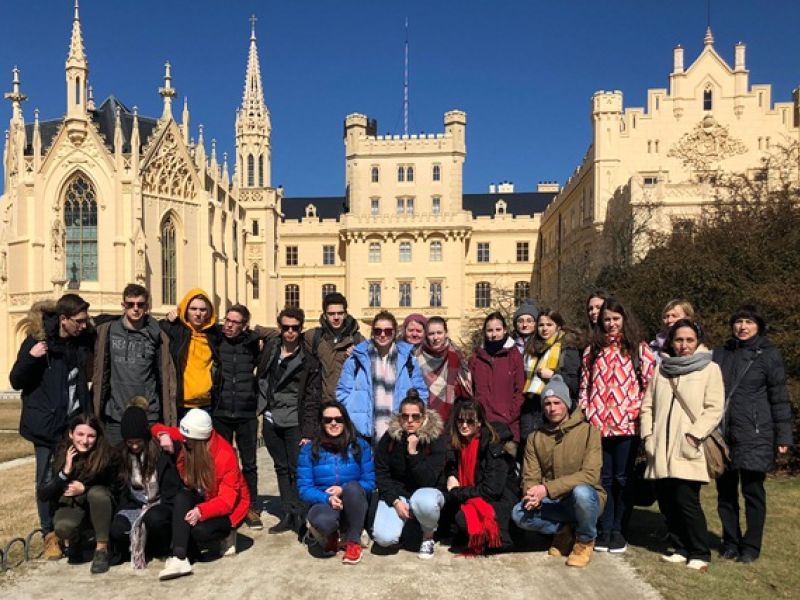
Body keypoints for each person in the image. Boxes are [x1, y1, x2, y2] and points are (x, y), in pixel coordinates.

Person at [10, 293, 95, 560]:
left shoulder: (82, 341)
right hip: (46, 425)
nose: (84, 325)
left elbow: (108, 323)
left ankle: (75, 530)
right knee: (46, 480)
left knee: (77, 474)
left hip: (73, 424)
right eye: (79, 321)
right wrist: (31, 358)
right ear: (63, 319)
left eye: (86, 320)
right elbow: (16, 380)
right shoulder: (38, 342)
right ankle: (50, 535)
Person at [640, 319, 724, 571]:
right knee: (667, 501)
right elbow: (648, 405)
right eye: (679, 339)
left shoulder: (710, 369)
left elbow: (714, 408)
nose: (684, 345)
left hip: (688, 445)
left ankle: (700, 551)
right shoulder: (661, 369)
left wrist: (694, 435)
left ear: (697, 340)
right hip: (660, 447)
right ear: (671, 341)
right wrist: (647, 436)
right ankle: (680, 546)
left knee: (687, 501)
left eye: (689, 340)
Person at [712, 305, 792, 563]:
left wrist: (783, 436)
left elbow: (779, 397)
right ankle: (731, 542)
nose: (742, 327)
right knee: (725, 493)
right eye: (738, 321)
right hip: (724, 432)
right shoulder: (721, 353)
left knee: (752, 491)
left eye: (748, 322)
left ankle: (751, 546)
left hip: (755, 433)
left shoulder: (769, 355)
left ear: (758, 325)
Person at [579, 297, 655, 553]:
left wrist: (637, 410)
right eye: (607, 319)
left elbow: (650, 386)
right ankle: (605, 527)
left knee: (623, 478)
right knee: (604, 479)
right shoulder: (593, 350)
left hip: (627, 425)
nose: (611, 324)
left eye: (615, 319)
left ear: (624, 319)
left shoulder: (638, 349)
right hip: (599, 424)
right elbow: (584, 385)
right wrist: (588, 411)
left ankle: (620, 529)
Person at [512, 375, 605, 567]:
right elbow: (531, 476)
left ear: (567, 403)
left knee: (582, 492)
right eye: (547, 403)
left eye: (557, 402)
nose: (552, 408)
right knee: (519, 513)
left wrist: (546, 489)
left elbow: (590, 475)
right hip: (554, 502)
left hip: (584, 500)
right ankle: (563, 531)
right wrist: (530, 494)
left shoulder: (589, 432)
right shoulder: (535, 438)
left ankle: (584, 540)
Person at [153, 409, 251, 580]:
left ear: (198, 440)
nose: (182, 441)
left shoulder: (225, 455)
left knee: (199, 531)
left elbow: (227, 501)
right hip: (204, 493)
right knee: (181, 497)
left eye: (187, 440)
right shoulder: (188, 436)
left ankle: (228, 534)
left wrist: (201, 511)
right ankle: (180, 557)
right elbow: (156, 427)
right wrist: (163, 435)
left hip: (229, 507)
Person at [256, 307, 321, 534]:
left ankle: (301, 515)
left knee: (298, 469)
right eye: (286, 328)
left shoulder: (308, 360)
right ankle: (288, 513)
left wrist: (308, 431)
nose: (290, 332)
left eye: (295, 328)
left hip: (295, 420)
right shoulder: (270, 350)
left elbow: (313, 398)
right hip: (272, 418)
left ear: (301, 329)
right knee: (281, 468)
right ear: (279, 328)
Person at [93, 284, 177, 445]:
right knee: (115, 466)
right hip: (116, 415)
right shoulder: (107, 330)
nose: (135, 309)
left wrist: (176, 318)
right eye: (130, 304)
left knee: (148, 466)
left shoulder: (158, 335)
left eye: (140, 304)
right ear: (123, 305)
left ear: (147, 306)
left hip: (149, 415)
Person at [297, 402, 375, 565]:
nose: (333, 423)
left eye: (338, 419)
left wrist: (343, 489)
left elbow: (370, 482)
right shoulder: (309, 449)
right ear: (321, 423)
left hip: (354, 502)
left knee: (353, 488)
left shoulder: (360, 446)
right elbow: (304, 488)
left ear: (345, 421)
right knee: (323, 520)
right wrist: (327, 498)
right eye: (328, 420)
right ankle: (332, 534)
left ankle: (353, 542)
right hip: (325, 501)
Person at [37, 414, 117, 574]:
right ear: (71, 434)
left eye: (91, 436)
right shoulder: (59, 454)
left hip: (100, 508)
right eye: (80, 434)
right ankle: (77, 539)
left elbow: (117, 488)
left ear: (98, 437)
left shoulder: (108, 456)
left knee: (97, 494)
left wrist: (85, 489)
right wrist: (64, 472)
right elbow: (43, 494)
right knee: (64, 528)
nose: (85, 441)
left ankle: (101, 549)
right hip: (72, 506)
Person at [372, 389, 447, 559]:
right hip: (399, 494)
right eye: (405, 417)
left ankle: (428, 536)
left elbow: (428, 480)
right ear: (400, 418)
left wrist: (413, 453)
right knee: (384, 539)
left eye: (416, 416)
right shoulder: (390, 438)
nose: (410, 421)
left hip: (427, 492)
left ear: (424, 417)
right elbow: (381, 473)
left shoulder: (435, 439)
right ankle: (404, 529)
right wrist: (395, 501)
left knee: (424, 501)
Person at [337, 311, 428, 442]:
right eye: (378, 331)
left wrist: (415, 418)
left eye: (388, 331)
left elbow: (421, 392)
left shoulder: (408, 358)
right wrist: (352, 415)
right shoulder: (356, 358)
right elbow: (342, 392)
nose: (383, 335)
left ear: (395, 332)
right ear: (372, 332)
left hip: (399, 428)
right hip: (363, 431)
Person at [212, 304, 264, 530]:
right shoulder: (216, 340)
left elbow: (269, 335)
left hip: (246, 412)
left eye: (235, 322)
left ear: (244, 326)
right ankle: (224, 504)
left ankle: (251, 507)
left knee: (249, 464)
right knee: (221, 464)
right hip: (221, 412)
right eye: (227, 320)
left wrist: (252, 335)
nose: (229, 325)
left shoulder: (252, 344)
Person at [110, 403, 181, 568]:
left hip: (159, 502)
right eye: (130, 442)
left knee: (154, 519)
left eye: (138, 441)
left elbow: (171, 489)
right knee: (118, 529)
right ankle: (137, 547)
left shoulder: (161, 452)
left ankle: (159, 547)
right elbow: (120, 490)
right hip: (134, 504)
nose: (134, 446)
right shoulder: (120, 455)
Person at [443, 399, 517, 555]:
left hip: (499, 499)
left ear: (479, 423)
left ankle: (495, 539)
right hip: (475, 494)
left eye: (470, 421)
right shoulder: (461, 443)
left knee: (462, 519)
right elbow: (453, 465)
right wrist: (452, 475)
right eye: (460, 420)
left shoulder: (493, 445)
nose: (464, 425)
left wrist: (456, 492)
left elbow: (492, 490)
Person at [520, 309, 581, 441]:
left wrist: (553, 374)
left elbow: (574, 384)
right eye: (541, 325)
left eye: (549, 325)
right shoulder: (532, 348)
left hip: (554, 407)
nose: (544, 329)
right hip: (531, 406)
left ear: (558, 326)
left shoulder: (567, 347)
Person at [160, 288, 221, 418]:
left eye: (203, 310)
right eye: (193, 309)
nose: (198, 313)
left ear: (209, 312)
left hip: (207, 405)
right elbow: (153, 326)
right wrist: (167, 319)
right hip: (180, 405)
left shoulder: (215, 334)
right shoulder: (176, 330)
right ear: (185, 310)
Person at [469, 312, 525, 448]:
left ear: (505, 330)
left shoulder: (513, 355)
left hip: (507, 424)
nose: (494, 334)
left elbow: (520, 390)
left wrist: (510, 415)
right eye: (490, 330)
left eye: (498, 330)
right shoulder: (476, 357)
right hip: (482, 423)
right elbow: (471, 389)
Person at [303, 292, 364, 403]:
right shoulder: (313, 337)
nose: (336, 317)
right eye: (331, 314)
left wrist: (359, 357)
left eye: (340, 313)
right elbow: (289, 338)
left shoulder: (358, 340)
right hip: (323, 404)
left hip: (348, 404)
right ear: (325, 316)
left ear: (346, 314)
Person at [415, 316, 472, 421]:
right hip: (423, 414)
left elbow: (466, 388)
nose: (435, 337)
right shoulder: (417, 356)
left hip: (453, 413)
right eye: (431, 334)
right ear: (426, 335)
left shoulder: (457, 354)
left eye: (439, 333)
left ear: (446, 333)